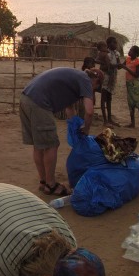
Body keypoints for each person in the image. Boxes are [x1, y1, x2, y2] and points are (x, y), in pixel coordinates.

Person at [20, 67, 99, 197]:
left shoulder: (74, 78)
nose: (93, 90)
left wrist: (74, 127)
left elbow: (69, 108)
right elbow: (89, 111)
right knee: (51, 144)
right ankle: (51, 185)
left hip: (26, 98)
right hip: (39, 103)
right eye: (96, 87)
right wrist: (86, 130)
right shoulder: (85, 80)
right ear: (95, 80)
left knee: (39, 145)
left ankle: (43, 181)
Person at [101, 37, 124, 126]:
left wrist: (122, 64)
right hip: (106, 78)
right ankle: (105, 121)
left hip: (112, 78)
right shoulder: (105, 54)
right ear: (109, 44)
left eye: (116, 43)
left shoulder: (116, 53)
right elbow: (102, 67)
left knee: (109, 98)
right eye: (114, 43)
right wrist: (113, 66)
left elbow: (118, 66)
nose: (116, 45)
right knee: (103, 98)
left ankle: (109, 119)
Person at [123, 45, 139, 130]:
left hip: (135, 84)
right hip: (128, 83)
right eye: (130, 50)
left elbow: (137, 75)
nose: (129, 51)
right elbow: (120, 66)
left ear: (136, 54)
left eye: (131, 51)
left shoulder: (137, 62)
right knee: (131, 103)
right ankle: (132, 123)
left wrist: (126, 68)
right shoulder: (128, 59)